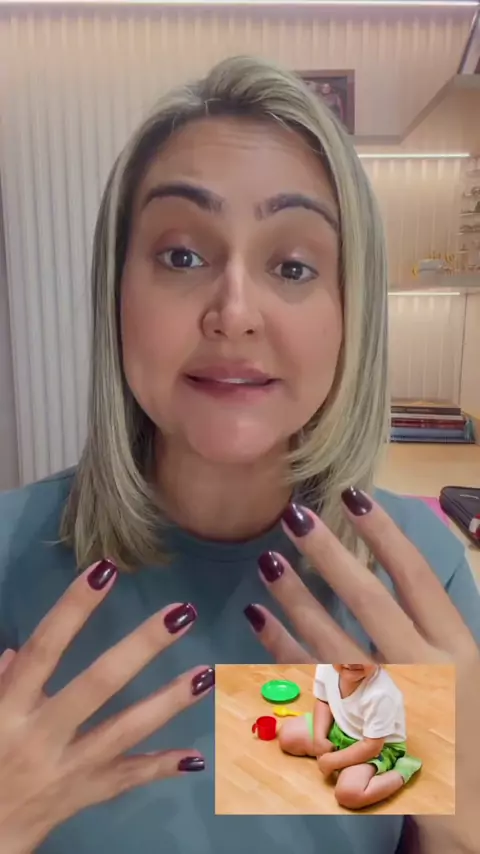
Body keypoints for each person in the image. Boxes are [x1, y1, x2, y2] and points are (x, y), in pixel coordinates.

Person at [0, 54, 478, 854]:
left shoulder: (423, 584)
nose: (234, 312)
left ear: (351, 312)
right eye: (182, 256)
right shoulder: (9, 556)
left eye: (292, 266)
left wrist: (466, 828)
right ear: (116, 292)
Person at [279, 663, 422, 810]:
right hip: (342, 728)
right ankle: (343, 760)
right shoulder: (327, 667)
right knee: (288, 736)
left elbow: (372, 746)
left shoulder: (382, 694)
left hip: (378, 746)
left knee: (349, 794)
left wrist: (332, 761)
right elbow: (324, 701)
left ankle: (401, 771)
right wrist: (319, 738)